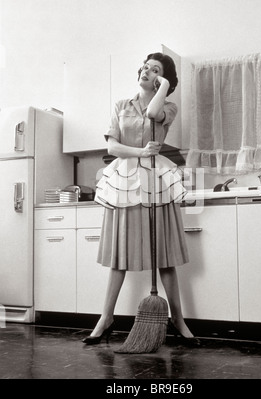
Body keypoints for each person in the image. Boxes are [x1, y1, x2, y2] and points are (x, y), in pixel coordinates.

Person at [82, 52, 201, 347]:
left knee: (165, 257)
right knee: (119, 256)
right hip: (124, 184)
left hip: (156, 183)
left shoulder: (168, 107)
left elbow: (152, 115)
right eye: (146, 66)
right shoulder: (121, 105)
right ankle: (105, 319)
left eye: (155, 69)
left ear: (164, 81)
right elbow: (112, 145)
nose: (147, 71)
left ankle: (178, 319)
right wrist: (141, 152)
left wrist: (161, 86)